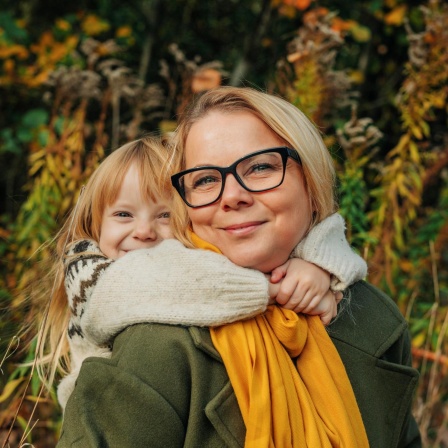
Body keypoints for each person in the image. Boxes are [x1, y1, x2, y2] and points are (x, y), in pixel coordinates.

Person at [57, 87, 421, 447]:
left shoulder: (374, 320)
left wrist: (323, 267)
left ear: (312, 181)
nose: (232, 196)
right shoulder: (157, 344)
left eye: (260, 166)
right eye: (206, 180)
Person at [43, 136, 367, 411]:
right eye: (123, 214)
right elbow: (177, 281)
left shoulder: (200, 256)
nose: (143, 231)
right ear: (95, 222)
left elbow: (302, 233)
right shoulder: (90, 273)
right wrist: (275, 286)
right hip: (108, 410)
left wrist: (317, 263)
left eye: (165, 215)